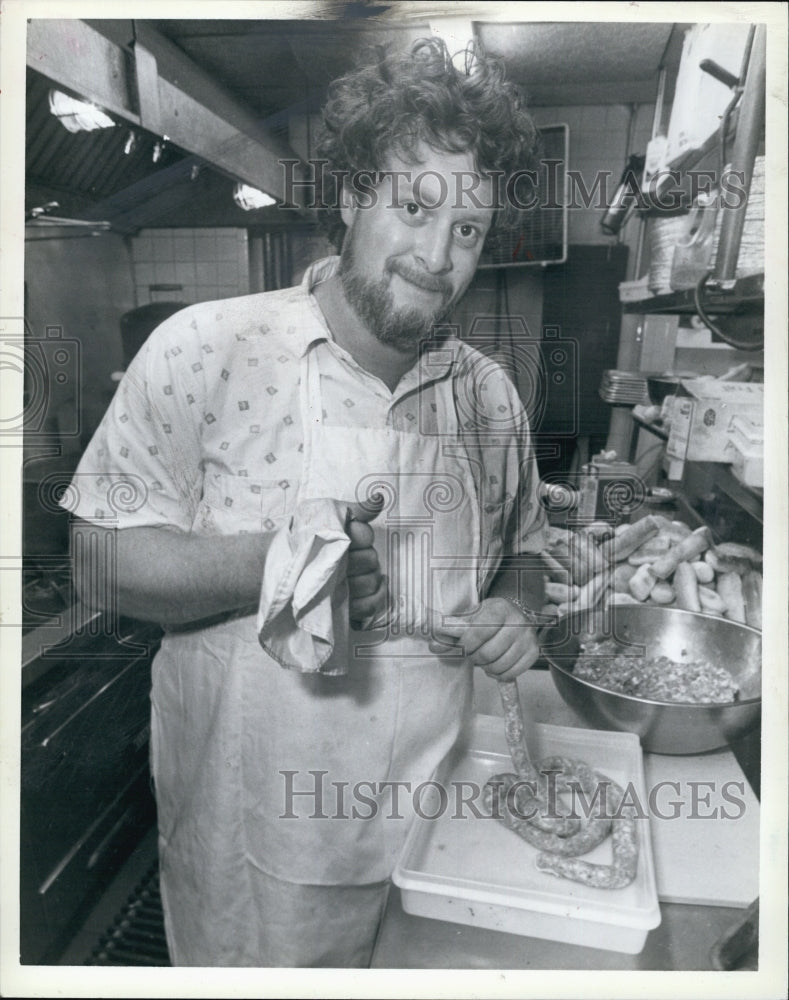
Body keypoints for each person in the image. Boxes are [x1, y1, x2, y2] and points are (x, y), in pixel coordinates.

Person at [61, 37, 548, 967]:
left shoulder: (489, 397)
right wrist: (281, 560)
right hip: (254, 850)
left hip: (437, 837)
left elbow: (522, 548)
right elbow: (97, 561)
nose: (436, 256)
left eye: (469, 231)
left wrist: (515, 608)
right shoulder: (204, 349)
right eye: (416, 208)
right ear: (354, 195)